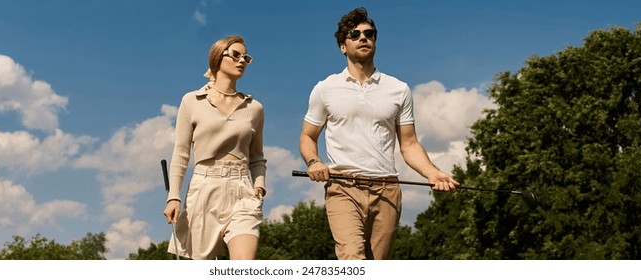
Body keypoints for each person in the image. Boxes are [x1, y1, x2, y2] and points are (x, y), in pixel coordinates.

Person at [299, 7, 459, 260]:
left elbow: (409, 144)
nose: (363, 37)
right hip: (343, 188)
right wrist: (314, 161)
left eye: (369, 33)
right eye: (355, 34)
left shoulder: (399, 89)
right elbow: (308, 136)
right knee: (352, 258)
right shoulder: (325, 89)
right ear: (343, 46)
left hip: (387, 191)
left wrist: (433, 172)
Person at [163, 35, 266, 260]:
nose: (241, 61)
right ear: (218, 58)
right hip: (204, 189)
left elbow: (257, 157)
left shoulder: (255, 108)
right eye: (235, 55)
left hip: (242, 191)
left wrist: (259, 186)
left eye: (245, 57)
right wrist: (174, 196)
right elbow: (181, 153)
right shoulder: (191, 101)